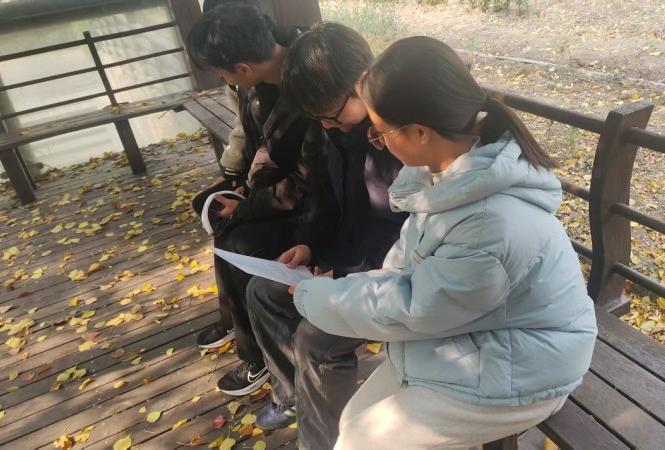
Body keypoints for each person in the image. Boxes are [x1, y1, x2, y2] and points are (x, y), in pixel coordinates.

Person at [289, 36, 598, 449]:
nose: (376, 141)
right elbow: (402, 271)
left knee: (361, 442)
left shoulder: (487, 222)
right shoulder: (443, 177)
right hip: (479, 334)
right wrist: (338, 287)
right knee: (351, 424)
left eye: (380, 132)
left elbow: (417, 308)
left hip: (530, 364)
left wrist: (314, 297)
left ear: (419, 132)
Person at [244, 23, 407, 449]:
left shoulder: (399, 140)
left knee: (315, 339)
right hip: (342, 262)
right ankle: (295, 398)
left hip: (385, 275)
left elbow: (407, 239)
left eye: (331, 115)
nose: (327, 126)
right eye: (318, 118)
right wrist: (309, 244)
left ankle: (326, 440)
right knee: (262, 292)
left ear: (362, 83)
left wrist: (345, 276)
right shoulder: (333, 130)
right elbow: (324, 198)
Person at [186, 3, 329, 395]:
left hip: (313, 204)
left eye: (223, 73)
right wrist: (239, 184)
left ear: (243, 68)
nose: (224, 80)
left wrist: (248, 204)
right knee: (216, 212)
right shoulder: (262, 78)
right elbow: (253, 142)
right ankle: (236, 320)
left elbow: (308, 182)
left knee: (237, 237)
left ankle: (257, 356)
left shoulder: (309, 85)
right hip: (279, 188)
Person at [189, 0, 258, 351]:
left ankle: (252, 341)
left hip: (281, 187)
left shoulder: (266, 77)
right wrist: (234, 173)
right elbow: (244, 128)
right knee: (208, 203)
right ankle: (232, 317)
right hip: (261, 173)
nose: (223, 79)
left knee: (232, 227)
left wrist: (245, 189)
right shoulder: (244, 79)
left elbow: (268, 144)